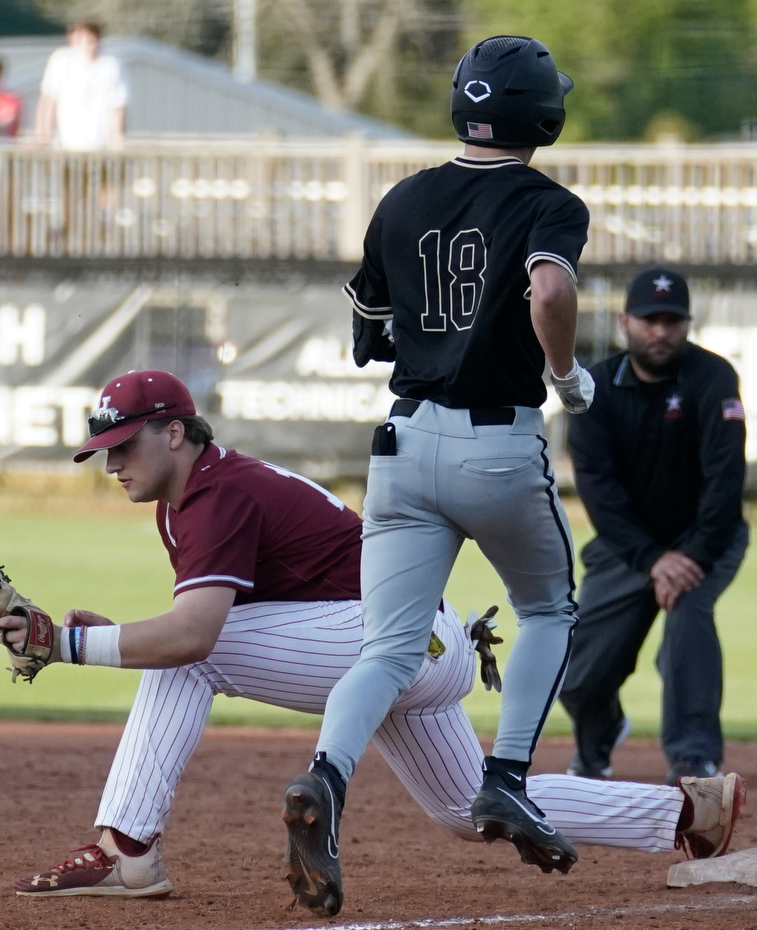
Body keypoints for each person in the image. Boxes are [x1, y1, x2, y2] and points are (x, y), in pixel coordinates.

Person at [0, 370, 745, 902]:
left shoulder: (218, 496)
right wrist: (108, 638)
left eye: (125, 446)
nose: (112, 463)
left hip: (396, 643)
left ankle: (127, 849)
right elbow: (205, 628)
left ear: (178, 432)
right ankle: (689, 813)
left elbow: (194, 637)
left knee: (198, 652)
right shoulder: (197, 493)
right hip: (402, 645)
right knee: (465, 809)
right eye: (106, 451)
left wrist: (63, 644)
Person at [281, 34, 599, 917]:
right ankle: (505, 776)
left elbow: (364, 326)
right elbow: (549, 295)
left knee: (386, 647)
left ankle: (325, 779)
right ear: (544, 117)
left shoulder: (405, 196)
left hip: (402, 445)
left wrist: (403, 336)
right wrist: (568, 377)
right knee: (546, 608)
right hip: (497, 441)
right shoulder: (550, 203)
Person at [561, 268, 749, 786]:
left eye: (672, 320)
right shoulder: (593, 388)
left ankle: (694, 759)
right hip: (629, 548)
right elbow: (598, 490)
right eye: (649, 320)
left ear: (688, 324)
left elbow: (726, 479)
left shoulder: (713, 379)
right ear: (626, 322)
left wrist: (689, 557)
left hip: (705, 542)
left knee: (688, 624)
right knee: (577, 676)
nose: (661, 331)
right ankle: (599, 739)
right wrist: (651, 559)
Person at [35, 21, 127, 151]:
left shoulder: (110, 65)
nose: (85, 44)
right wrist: (43, 132)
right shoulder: (60, 61)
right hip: (66, 143)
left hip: (100, 144)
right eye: (79, 39)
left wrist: (117, 137)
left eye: (90, 39)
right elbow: (48, 98)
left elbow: (118, 104)